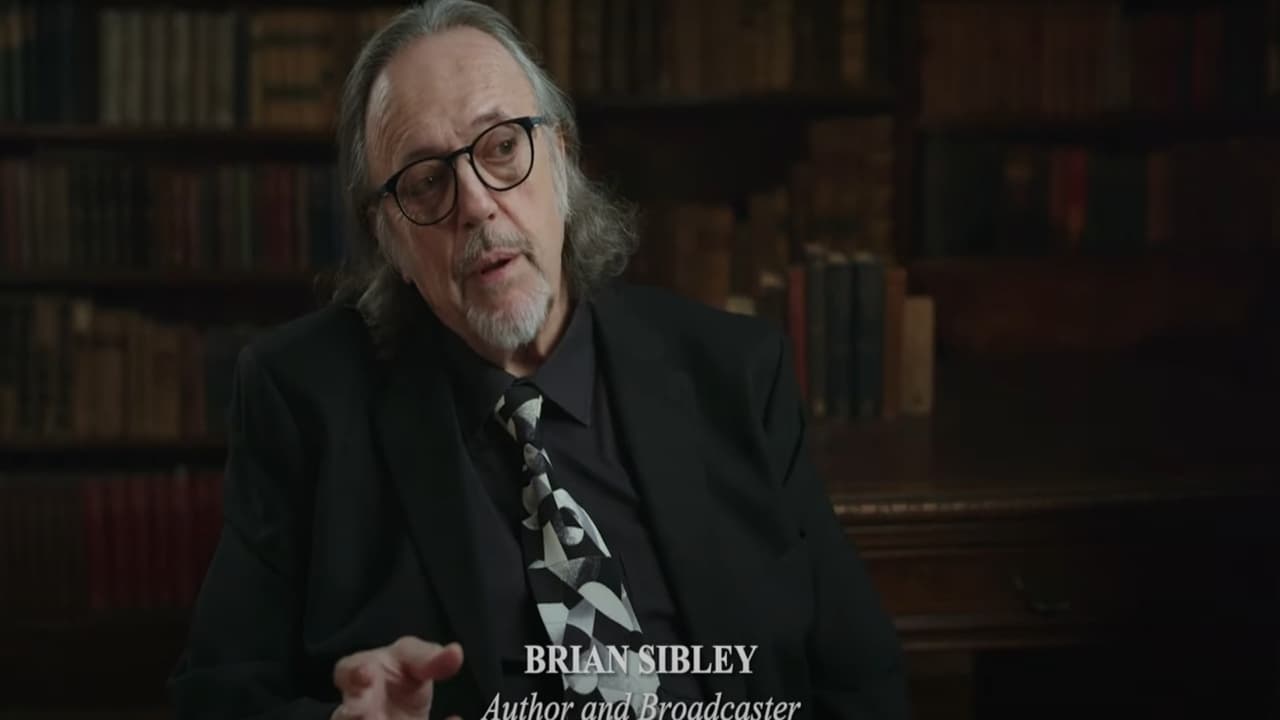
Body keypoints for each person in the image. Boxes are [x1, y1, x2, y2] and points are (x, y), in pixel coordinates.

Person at [169, 1, 908, 718]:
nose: (476, 204)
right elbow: (216, 696)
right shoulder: (303, 402)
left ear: (562, 157)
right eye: (425, 181)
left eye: (501, 148)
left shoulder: (736, 373)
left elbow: (859, 681)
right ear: (389, 236)